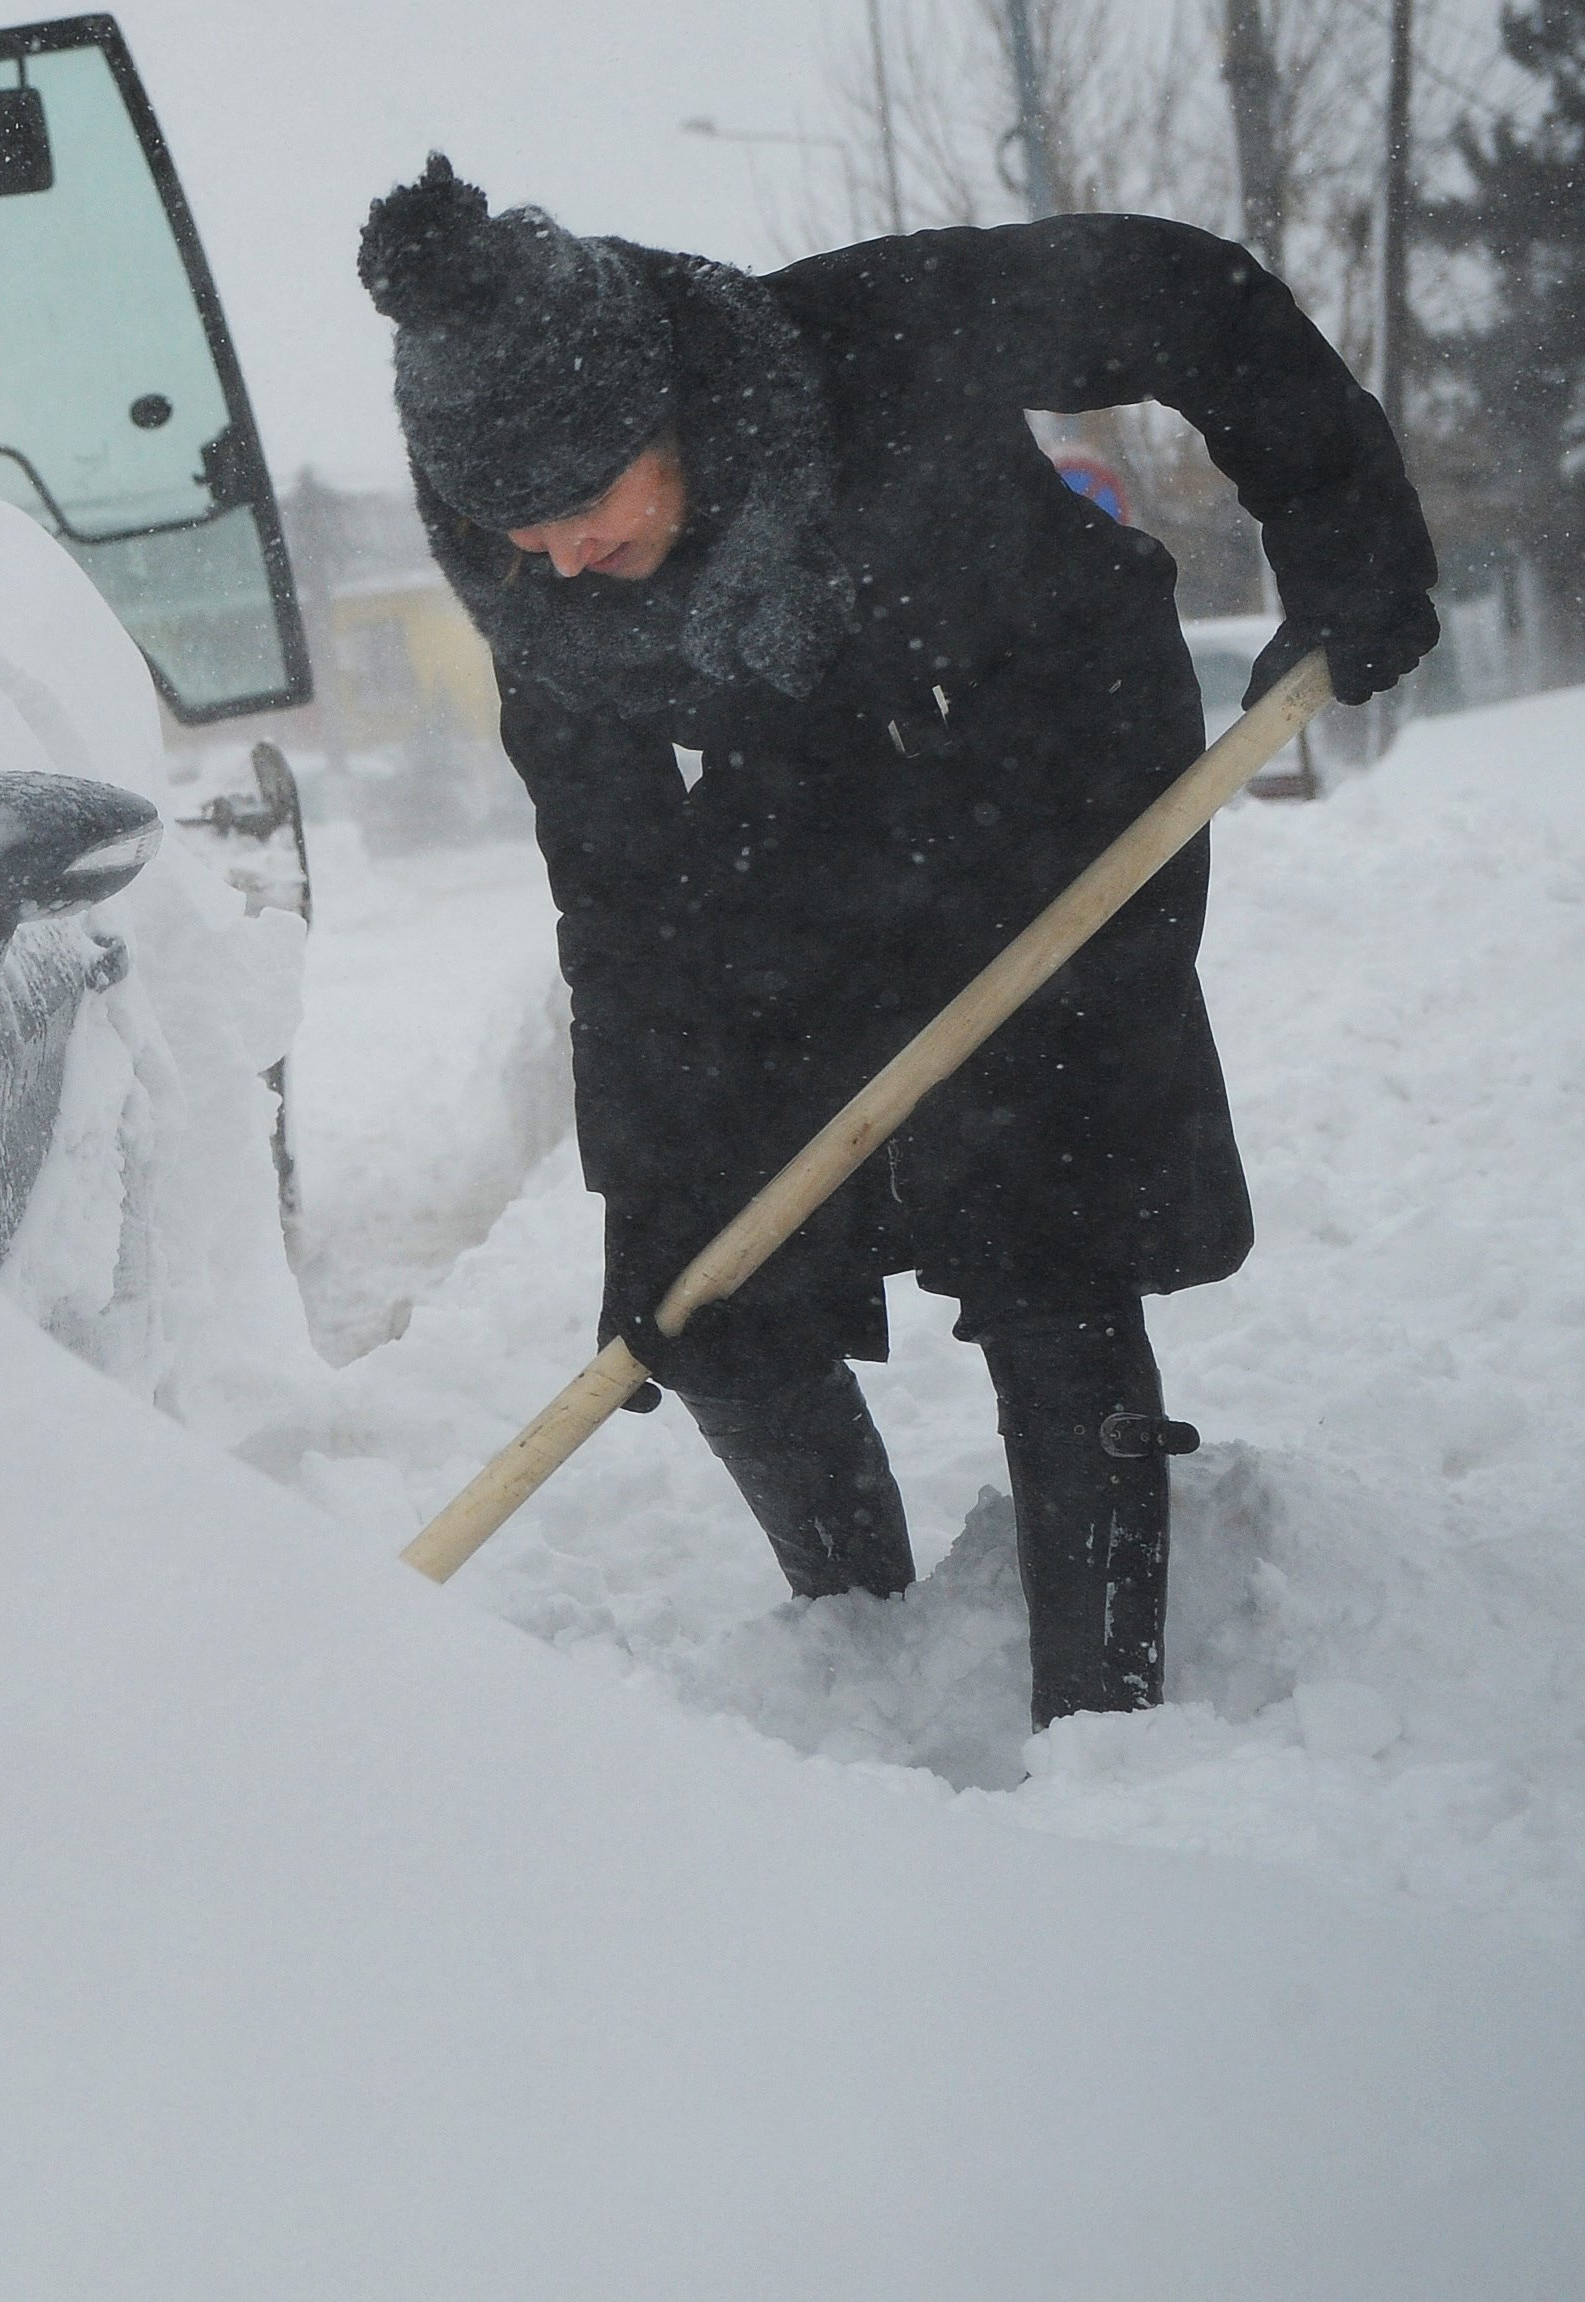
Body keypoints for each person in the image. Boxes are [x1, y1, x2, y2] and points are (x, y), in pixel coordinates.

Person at [355, 157, 1437, 1728]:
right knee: (712, 1295)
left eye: (586, 502)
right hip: (814, 819)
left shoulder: (880, 333)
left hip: (1054, 766)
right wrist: (659, 1193)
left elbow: (1191, 296)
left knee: (1040, 1221)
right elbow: (625, 907)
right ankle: (859, 1648)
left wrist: (1345, 532)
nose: (562, 555)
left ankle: (1104, 1713)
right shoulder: (547, 613)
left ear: (669, 413)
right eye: (516, 529)